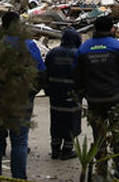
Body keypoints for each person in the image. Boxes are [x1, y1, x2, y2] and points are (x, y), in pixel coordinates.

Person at [0, 12, 46, 182]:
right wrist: (31, 92)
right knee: (19, 142)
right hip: (20, 101)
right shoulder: (28, 45)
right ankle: (18, 178)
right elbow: (41, 72)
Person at [75, 16, 119, 179]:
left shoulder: (84, 48)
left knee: (98, 135)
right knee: (118, 133)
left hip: (94, 99)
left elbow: (77, 74)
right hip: (115, 98)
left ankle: (101, 169)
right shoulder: (117, 46)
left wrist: (83, 93)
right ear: (110, 29)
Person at [44, 28, 82, 160]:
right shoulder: (78, 54)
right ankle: (67, 151)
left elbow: (45, 73)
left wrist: (47, 89)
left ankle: (55, 150)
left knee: (56, 121)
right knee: (71, 123)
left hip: (55, 95)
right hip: (72, 95)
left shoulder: (52, 53)